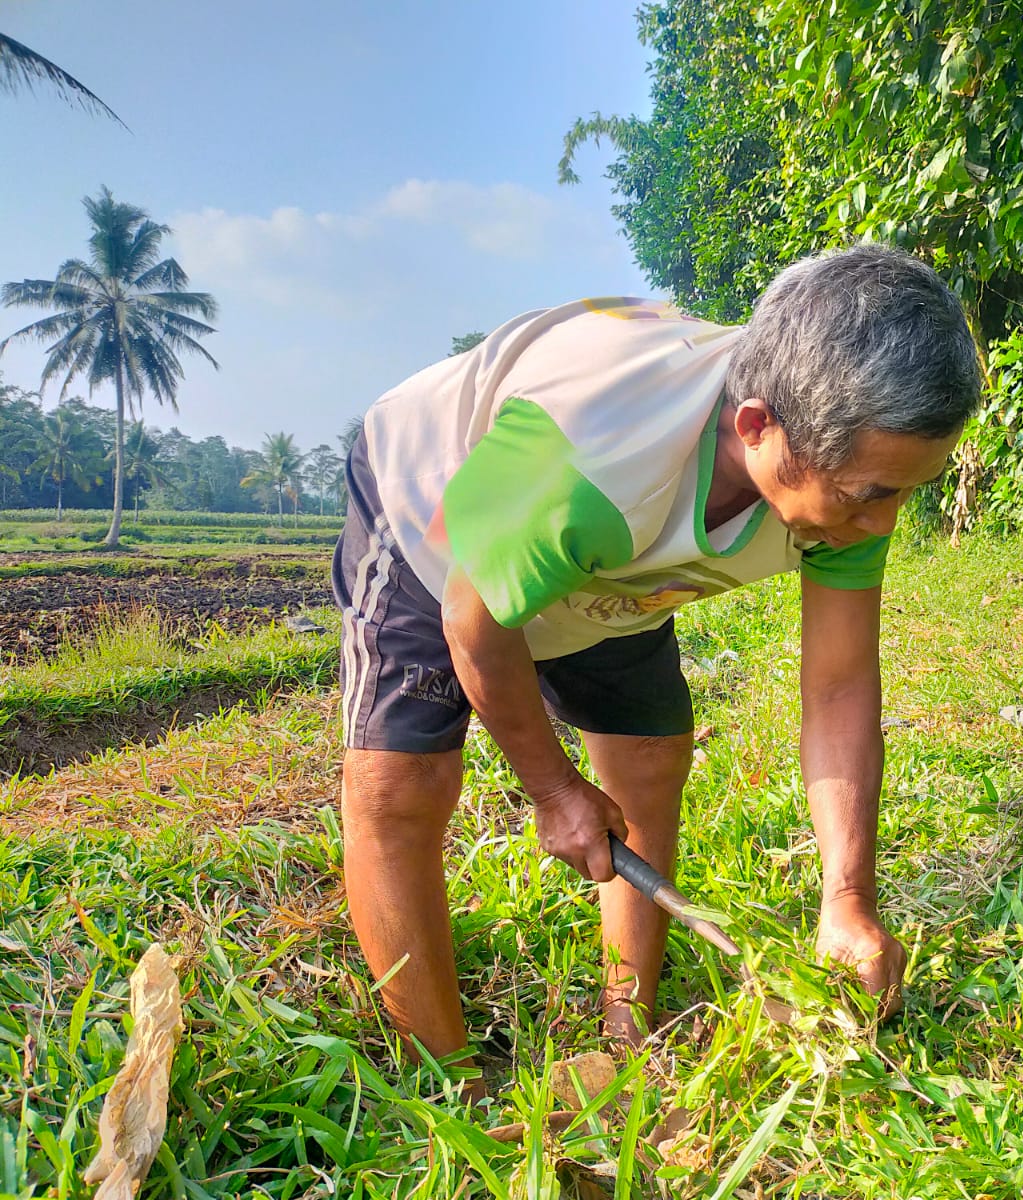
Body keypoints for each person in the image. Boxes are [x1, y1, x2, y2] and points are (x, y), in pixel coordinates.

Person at [333, 243, 982, 1074]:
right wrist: (554, 790)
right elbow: (476, 623)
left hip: (609, 557)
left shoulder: (842, 486)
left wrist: (848, 899)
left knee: (648, 763)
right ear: (759, 429)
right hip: (438, 516)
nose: (884, 525)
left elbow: (840, 687)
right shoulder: (600, 452)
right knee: (400, 789)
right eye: (872, 495)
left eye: (905, 492)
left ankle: (624, 1029)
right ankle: (446, 1086)